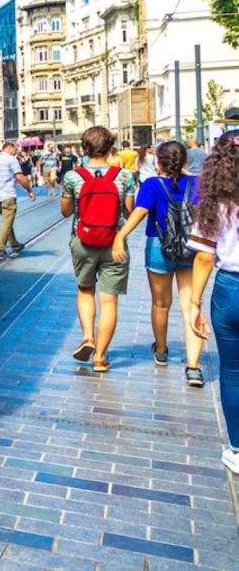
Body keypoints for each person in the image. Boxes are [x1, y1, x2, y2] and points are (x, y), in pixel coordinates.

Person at [111, 141, 203, 382]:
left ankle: (161, 351)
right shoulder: (196, 183)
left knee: (161, 304)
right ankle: (193, 367)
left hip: (159, 248)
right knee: (191, 306)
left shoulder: (152, 184)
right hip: (191, 249)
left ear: (158, 162)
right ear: (183, 162)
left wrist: (120, 236)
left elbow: (140, 213)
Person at [185, 128, 239, 474]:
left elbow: (204, 258)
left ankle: (236, 449)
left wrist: (195, 303)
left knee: (233, 372)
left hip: (230, 289)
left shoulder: (217, 203)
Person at [61, 126, 134, 373]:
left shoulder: (72, 177)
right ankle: (100, 358)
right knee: (109, 300)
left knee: (85, 290)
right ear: (110, 147)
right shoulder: (124, 176)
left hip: (83, 240)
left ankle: (87, 337)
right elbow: (128, 212)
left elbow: (66, 211)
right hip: (115, 242)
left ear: (85, 148)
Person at [0, 141, 35, 259]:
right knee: (6, 222)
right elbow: (20, 177)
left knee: (7, 221)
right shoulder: (11, 159)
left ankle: (15, 245)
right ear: (10, 148)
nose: (16, 152)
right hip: (8, 194)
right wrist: (29, 191)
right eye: (15, 150)